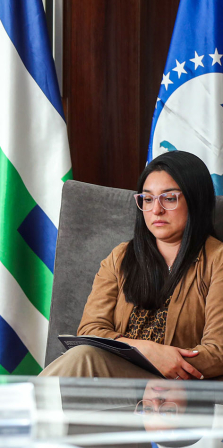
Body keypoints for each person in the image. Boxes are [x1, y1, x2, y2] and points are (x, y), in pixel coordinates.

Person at [43, 151, 223, 380]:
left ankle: (14, 411)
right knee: (83, 356)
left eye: (169, 198)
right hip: (116, 374)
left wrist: (166, 361)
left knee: (84, 358)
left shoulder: (218, 260)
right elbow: (90, 330)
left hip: (177, 386)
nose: (156, 210)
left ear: (195, 200)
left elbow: (218, 352)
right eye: (147, 199)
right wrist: (146, 351)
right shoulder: (120, 257)